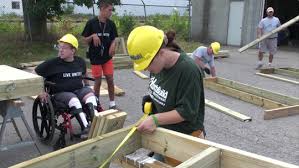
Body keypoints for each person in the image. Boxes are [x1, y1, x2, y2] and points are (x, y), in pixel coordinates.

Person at [127, 26, 205, 166]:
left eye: (147, 63)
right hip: (164, 135)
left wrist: (155, 119)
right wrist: (152, 102)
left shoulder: (189, 70)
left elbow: (186, 112)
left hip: (185, 139)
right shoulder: (157, 65)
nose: (145, 69)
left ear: (161, 52)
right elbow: (163, 90)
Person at [35, 34, 99, 138]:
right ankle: (86, 128)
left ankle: (97, 124)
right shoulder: (52, 63)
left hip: (78, 89)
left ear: (73, 51)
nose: (60, 50)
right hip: (60, 93)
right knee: (73, 100)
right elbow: (35, 74)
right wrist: (41, 91)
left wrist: (87, 86)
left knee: (91, 97)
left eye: (64, 48)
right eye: (59, 47)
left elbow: (84, 73)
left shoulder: (80, 61)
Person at [82, 1, 118, 109]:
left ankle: (112, 103)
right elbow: (84, 40)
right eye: (109, 10)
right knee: (97, 81)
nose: (111, 12)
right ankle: (96, 104)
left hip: (107, 57)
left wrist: (113, 45)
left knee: (110, 79)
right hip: (95, 57)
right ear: (102, 9)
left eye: (112, 10)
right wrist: (93, 36)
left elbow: (114, 38)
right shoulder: (91, 23)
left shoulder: (111, 24)